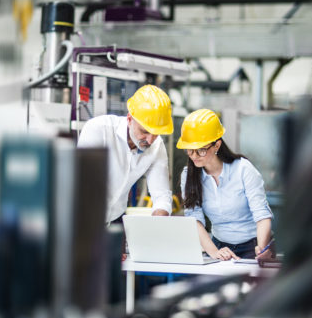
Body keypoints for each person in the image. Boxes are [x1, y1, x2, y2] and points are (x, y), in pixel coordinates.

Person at [177, 109, 274, 261]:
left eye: (201, 150)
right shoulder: (188, 175)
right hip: (218, 246)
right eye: (189, 150)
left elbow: (261, 214)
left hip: (253, 245)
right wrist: (214, 252)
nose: (194, 156)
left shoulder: (243, 169)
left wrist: (262, 249)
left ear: (216, 145)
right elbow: (194, 219)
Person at [78, 84, 173, 225]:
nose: (150, 140)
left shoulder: (156, 146)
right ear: (129, 119)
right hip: (83, 217)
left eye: (156, 133)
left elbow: (161, 196)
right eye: (145, 131)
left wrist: (158, 224)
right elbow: (84, 185)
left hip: (116, 217)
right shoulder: (99, 130)